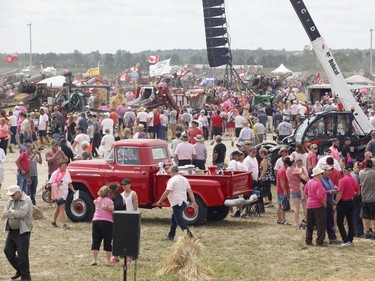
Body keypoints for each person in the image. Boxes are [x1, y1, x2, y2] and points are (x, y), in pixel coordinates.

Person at [157, 166, 197, 240]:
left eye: (169, 172)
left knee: (179, 220)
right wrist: (193, 201)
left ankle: (190, 237)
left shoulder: (172, 180)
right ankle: (171, 235)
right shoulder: (184, 179)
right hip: (183, 202)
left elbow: (167, 191)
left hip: (176, 202)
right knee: (174, 219)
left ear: (172, 172)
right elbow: (190, 191)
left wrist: (160, 201)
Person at [3, 185, 33, 281]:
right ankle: (20, 270)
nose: (11, 197)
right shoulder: (11, 200)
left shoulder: (27, 200)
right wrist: (14, 213)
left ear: (18, 192)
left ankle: (26, 277)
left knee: (22, 255)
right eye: (10, 195)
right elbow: (5, 213)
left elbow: (22, 213)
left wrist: (11, 211)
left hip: (23, 231)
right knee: (8, 251)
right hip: (12, 231)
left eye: (13, 194)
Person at [333, 164, 360, 248]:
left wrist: (335, 203)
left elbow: (340, 193)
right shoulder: (355, 180)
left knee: (340, 222)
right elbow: (358, 193)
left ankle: (345, 240)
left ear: (344, 171)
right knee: (350, 221)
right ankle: (350, 239)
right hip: (351, 201)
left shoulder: (343, 180)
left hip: (343, 202)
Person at [49, 160, 77, 229]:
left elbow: (69, 183)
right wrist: (57, 184)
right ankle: (64, 224)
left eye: (65, 165)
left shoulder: (67, 173)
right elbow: (50, 184)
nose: (65, 167)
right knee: (62, 207)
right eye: (63, 165)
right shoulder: (55, 173)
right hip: (58, 193)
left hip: (65, 193)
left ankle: (53, 222)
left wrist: (73, 190)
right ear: (60, 166)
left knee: (58, 208)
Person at [91, 185, 114, 266]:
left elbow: (95, 203)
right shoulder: (109, 201)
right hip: (106, 222)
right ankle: (108, 261)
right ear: (108, 193)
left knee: (96, 241)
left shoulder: (97, 200)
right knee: (107, 241)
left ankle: (94, 260)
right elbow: (113, 210)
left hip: (96, 221)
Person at [304, 166, 327, 246]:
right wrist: (324, 203)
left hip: (310, 204)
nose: (322, 175)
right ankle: (320, 240)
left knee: (310, 223)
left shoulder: (309, 182)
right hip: (318, 205)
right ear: (318, 174)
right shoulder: (318, 183)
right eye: (321, 174)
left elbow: (305, 192)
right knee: (321, 223)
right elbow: (319, 195)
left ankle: (308, 239)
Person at [320, 165, 339, 243]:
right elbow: (321, 192)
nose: (330, 172)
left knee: (330, 220)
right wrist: (331, 191)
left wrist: (334, 189)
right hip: (324, 203)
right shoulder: (321, 180)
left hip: (330, 202)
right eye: (328, 171)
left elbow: (331, 188)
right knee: (324, 221)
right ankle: (323, 238)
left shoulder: (329, 180)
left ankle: (332, 237)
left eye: (330, 171)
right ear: (323, 171)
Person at [359, 159, 375, 239]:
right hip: (373, 198)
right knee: (373, 216)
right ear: (372, 166)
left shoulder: (361, 173)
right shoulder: (373, 173)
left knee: (366, 216)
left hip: (364, 197)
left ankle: (367, 231)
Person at [276, 156, 292, 225]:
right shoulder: (282, 171)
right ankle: (282, 219)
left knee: (281, 205)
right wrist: (285, 190)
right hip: (282, 191)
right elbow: (282, 182)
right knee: (282, 205)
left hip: (283, 190)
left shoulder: (285, 170)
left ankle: (280, 219)